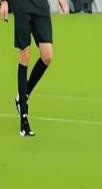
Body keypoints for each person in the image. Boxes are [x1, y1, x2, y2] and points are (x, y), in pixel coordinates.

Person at [1, 0, 68, 136]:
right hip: (21, 5)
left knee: (47, 56)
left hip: (40, 5)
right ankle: (24, 120)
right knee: (25, 55)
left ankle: (22, 96)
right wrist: (4, 1)